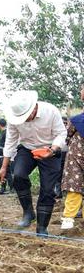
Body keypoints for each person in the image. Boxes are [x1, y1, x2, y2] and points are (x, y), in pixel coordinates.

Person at [0, 90, 67, 235]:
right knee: (18, 175)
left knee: (48, 189)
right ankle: (28, 213)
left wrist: (53, 150)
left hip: (50, 149)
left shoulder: (51, 111)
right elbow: (10, 142)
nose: (23, 120)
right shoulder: (14, 118)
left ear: (34, 107)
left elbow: (61, 133)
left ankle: (42, 227)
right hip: (27, 149)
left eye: (26, 116)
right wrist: (3, 167)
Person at [60, 84, 84, 229]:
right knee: (74, 187)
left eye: (82, 89)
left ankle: (69, 219)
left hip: (76, 152)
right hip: (76, 154)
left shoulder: (76, 118)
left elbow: (68, 136)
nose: (80, 91)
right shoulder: (77, 118)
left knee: (74, 186)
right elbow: (68, 136)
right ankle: (68, 218)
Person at [0, 118, 12, 194]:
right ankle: (3, 188)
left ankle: (11, 188)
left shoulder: (6, 133)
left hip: (5, 156)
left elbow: (7, 145)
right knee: (3, 171)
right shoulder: (3, 132)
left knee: (7, 171)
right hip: (1, 155)